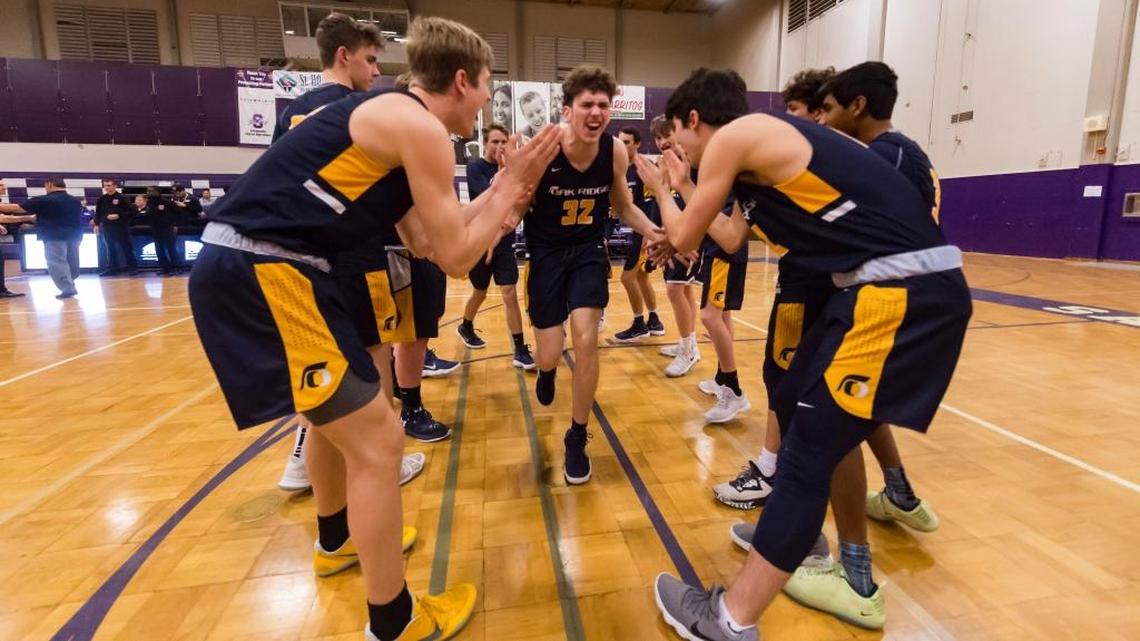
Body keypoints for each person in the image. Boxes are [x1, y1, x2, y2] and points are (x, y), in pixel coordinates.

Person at [188, 16, 559, 641]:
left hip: (280, 266)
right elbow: (461, 257)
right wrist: (512, 186)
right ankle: (394, 622)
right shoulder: (419, 127)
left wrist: (502, 192)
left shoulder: (395, 126)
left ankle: (337, 540)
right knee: (379, 443)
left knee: (336, 425)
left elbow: (427, 243)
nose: (488, 103)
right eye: (488, 87)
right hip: (265, 268)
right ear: (461, 80)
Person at [637, 67, 970, 641]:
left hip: (897, 292)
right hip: (869, 288)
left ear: (694, 120)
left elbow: (689, 238)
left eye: (677, 140)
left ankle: (730, 620)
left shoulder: (739, 137)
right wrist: (679, 209)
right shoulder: (757, 149)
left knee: (808, 451)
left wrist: (663, 188)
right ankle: (800, 536)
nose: (677, 151)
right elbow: (731, 238)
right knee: (797, 411)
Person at [275, 12, 428, 495]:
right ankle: (384, 459)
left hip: (298, 258)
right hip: (356, 251)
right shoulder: (360, 112)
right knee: (373, 352)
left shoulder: (292, 111)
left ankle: (301, 457)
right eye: (368, 59)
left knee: (320, 364)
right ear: (344, 56)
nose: (374, 71)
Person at [526, 64, 662, 485]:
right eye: (587, 104)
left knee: (587, 340)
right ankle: (547, 369)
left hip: (587, 251)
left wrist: (656, 230)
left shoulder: (614, 152)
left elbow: (622, 207)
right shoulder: (543, 150)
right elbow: (515, 204)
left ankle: (577, 434)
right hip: (546, 254)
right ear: (567, 110)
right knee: (549, 349)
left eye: (603, 104)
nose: (596, 112)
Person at [714, 67, 835, 509]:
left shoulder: (816, 169)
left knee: (791, 387)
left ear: (822, 113)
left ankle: (774, 473)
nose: (789, 121)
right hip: (803, 281)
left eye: (797, 111)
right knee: (786, 381)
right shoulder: (785, 169)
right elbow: (729, 235)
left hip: (815, 286)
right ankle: (897, 487)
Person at [455, 123, 536, 370]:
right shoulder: (475, 167)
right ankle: (465, 325)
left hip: (504, 239)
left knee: (509, 292)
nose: (500, 146)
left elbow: (519, 201)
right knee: (479, 291)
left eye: (504, 142)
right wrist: (504, 172)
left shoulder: (514, 169)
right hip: (480, 239)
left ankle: (519, 347)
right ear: (485, 144)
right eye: (495, 142)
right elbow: (491, 194)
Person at [650, 116, 703, 377]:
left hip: (687, 239)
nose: (662, 142)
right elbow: (660, 203)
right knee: (684, 292)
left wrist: (689, 239)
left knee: (674, 291)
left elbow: (700, 204)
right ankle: (689, 342)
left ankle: (688, 350)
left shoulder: (691, 163)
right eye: (657, 138)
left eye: (666, 135)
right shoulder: (662, 164)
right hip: (670, 236)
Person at [611, 126, 665, 342]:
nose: (622, 146)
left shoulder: (644, 167)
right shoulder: (620, 168)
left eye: (627, 142)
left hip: (643, 232)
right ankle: (654, 320)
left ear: (637, 144)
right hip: (635, 229)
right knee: (642, 277)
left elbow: (655, 202)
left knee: (627, 278)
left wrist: (648, 234)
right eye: (620, 141)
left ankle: (639, 323)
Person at [0, 177, 85, 298]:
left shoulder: (43, 200)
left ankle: (67, 287)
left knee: (56, 262)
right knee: (72, 260)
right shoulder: (75, 201)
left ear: (50, 185)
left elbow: (17, 208)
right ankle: (71, 282)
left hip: (53, 235)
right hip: (75, 235)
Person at [94, 179, 139, 276]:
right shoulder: (101, 199)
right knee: (110, 248)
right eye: (105, 186)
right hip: (107, 227)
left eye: (109, 185)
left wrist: (119, 215)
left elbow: (132, 212)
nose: (107, 188)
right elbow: (98, 213)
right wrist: (96, 224)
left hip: (121, 227)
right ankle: (112, 269)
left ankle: (133, 268)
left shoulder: (122, 198)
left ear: (115, 186)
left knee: (127, 248)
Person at [145, 186, 183, 276]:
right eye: (148, 191)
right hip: (155, 229)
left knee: (171, 249)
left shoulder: (166, 202)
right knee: (159, 250)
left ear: (157, 192)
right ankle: (165, 268)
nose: (148, 192)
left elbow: (179, 212)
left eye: (150, 191)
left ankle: (177, 268)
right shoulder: (150, 202)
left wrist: (175, 224)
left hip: (167, 229)